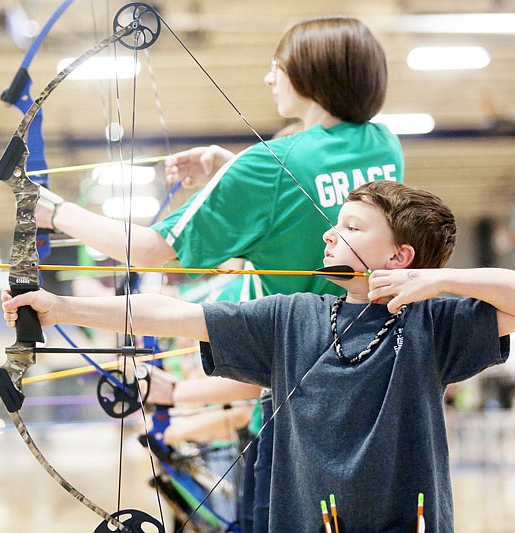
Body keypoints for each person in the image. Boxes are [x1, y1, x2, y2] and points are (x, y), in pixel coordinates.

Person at [3, 181, 515, 532]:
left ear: (400, 254)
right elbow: (172, 316)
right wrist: (57, 307)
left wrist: (441, 281)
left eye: (350, 227)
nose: (328, 234)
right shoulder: (294, 316)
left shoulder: (435, 324)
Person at [35, 16, 403, 531]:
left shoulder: (269, 166)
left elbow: (147, 249)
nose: (269, 79)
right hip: (370, 406)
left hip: (290, 417)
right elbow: (314, 201)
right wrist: (229, 170)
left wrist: (50, 211)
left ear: (309, 76)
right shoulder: (384, 147)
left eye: (278, 68)